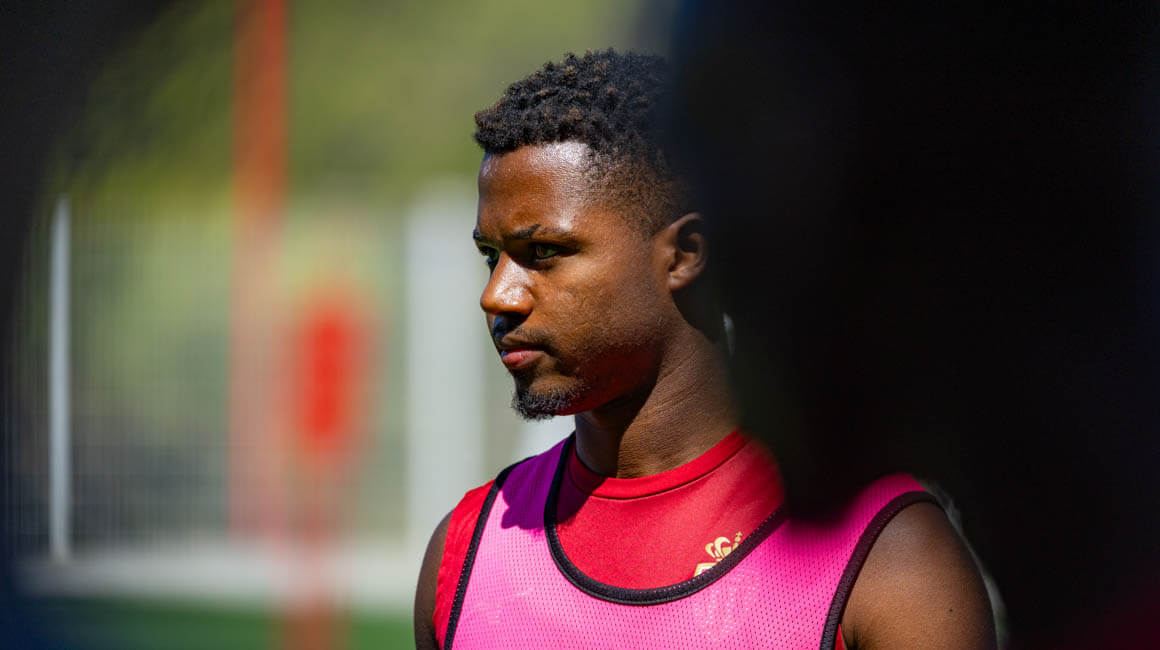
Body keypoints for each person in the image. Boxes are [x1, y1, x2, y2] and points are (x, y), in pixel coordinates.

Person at [413, 50, 995, 649]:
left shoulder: (884, 557)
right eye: (491, 256)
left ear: (685, 254)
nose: (496, 295)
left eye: (543, 253)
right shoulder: (466, 552)